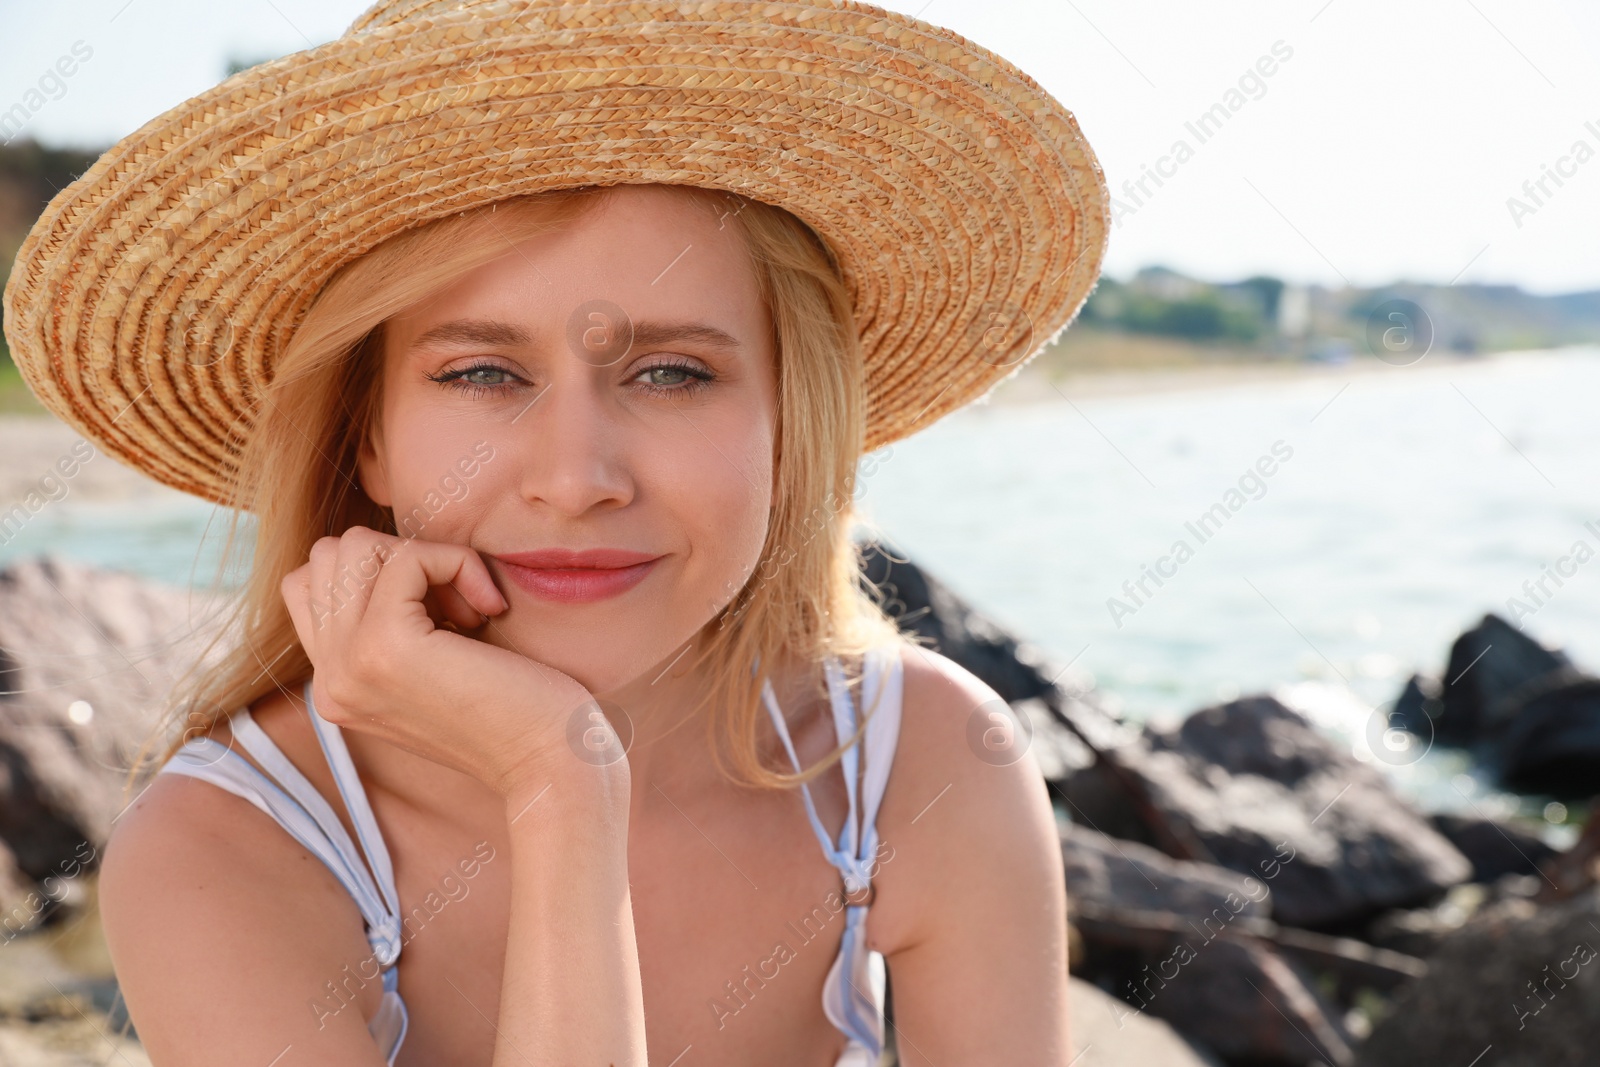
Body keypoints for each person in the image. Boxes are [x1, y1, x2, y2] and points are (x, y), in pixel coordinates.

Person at [1, 2, 1109, 1064]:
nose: (576, 479)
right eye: (483, 372)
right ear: (367, 437)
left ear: (789, 428)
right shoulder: (225, 850)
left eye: (671, 372)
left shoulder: (918, 762)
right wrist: (560, 784)